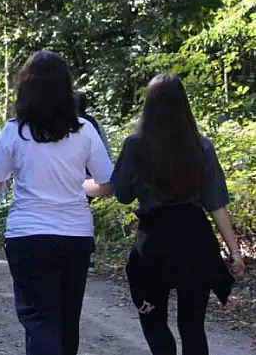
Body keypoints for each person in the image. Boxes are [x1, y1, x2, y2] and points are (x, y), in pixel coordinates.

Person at [84, 74, 244, 355]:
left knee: (152, 316)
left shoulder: (136, 145)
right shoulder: (201, 146)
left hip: (154, 242)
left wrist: (79, 183)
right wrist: (234, 251)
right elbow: (216, 202)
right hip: (196, 239)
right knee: (192, 324)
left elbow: (121, 194)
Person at [0, 50, 114, 355]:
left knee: (40, 320)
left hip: (28, 235)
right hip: (76, 236)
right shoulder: (84, 129)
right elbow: (108, 184)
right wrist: (77, 186)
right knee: (67, 320)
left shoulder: (14, 130)